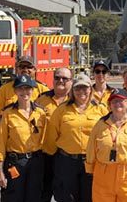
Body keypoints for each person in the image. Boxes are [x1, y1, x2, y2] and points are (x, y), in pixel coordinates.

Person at [43, 72, 108, 202]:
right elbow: (51, 136)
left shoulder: (100, 110)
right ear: (72, 90)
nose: (81, 91)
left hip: (91, 162)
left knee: (90, 197)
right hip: (67, 162)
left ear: (91, 89)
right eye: (77, 88)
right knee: (66, 198)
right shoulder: (62, 110)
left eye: (85, 87)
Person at [0, 75, 46, 202]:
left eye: (27, 88)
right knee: (12, 197)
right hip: (15, 163)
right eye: (20, 89)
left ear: (33, 90)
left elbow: (46, 139)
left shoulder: (41, 113)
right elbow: (0, 142)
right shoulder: (8, 113)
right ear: (15, 91)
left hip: (35, 162)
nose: (24, 92)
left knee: (34, 197)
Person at [35, 67, 73, 202]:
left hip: (67, 158)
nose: (60, 81)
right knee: (43, 194)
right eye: (57, 78)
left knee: (65, 196)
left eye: (64, 78)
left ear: (71, 81)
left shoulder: (76, 101)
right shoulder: (41, 100)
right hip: (46, 156)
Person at [0, 56, 49, 122]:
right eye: (22, 67)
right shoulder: (5, 89)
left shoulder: (43, 90)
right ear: (17, 69)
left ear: (35, 69)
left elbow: (49, 116)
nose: (25, 69)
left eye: (29, 67)